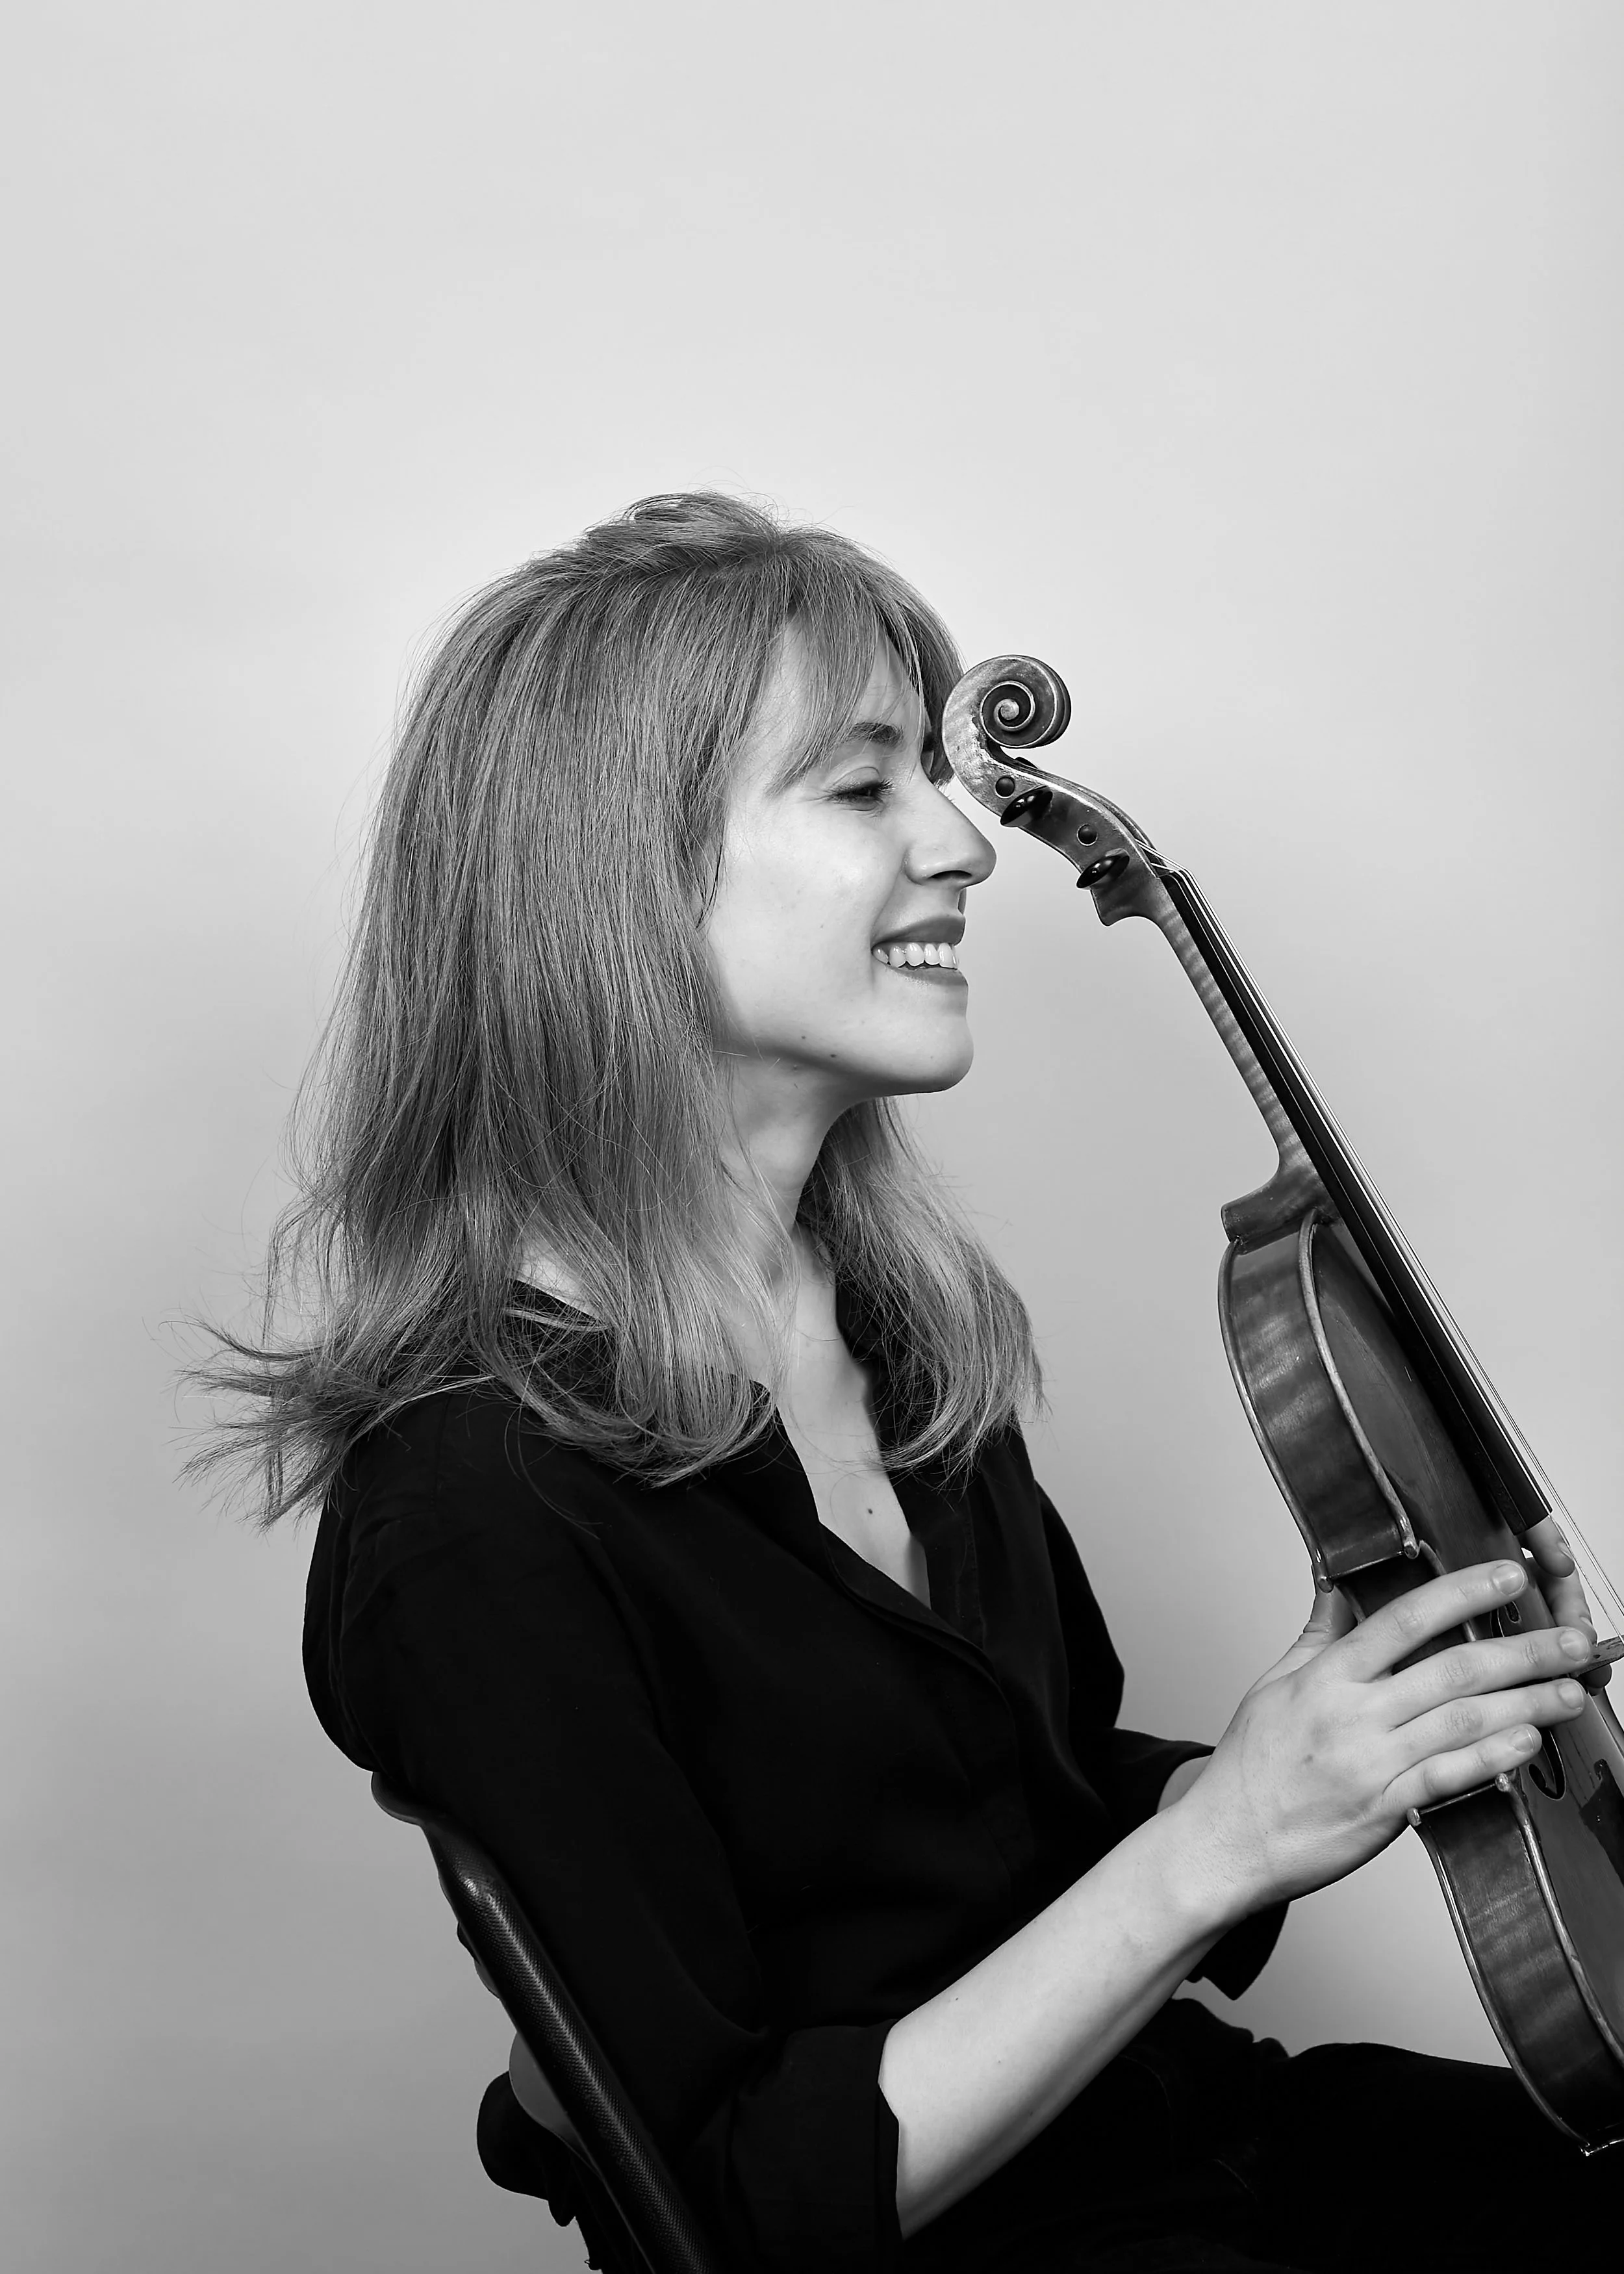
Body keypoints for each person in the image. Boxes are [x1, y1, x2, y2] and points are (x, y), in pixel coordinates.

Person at [223, 494, 1620, 2271]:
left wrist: (1344, 1734)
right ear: (614, 878)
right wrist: (1225, 1843)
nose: (962, 845)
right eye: (862, 782)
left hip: (1193, 2132)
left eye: (937, 779)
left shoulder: (907, 1342)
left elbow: (1019, 1832)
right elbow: (735, 2200)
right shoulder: (475, 1512)